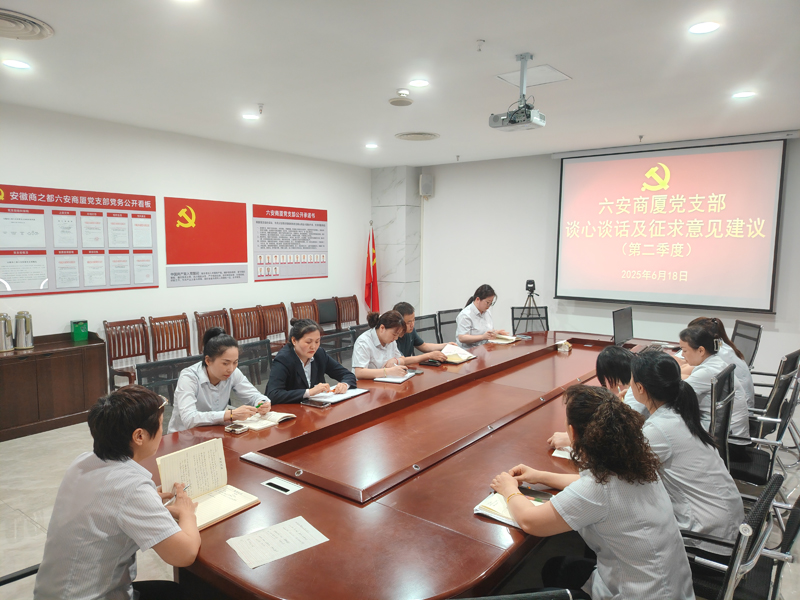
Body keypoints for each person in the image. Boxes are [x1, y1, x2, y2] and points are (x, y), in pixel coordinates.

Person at [490, 385, 694, 600]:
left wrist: (508, 489)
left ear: (572, 432)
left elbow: (531, 521)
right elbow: (595, 485)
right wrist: (541, 476)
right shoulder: (636, 463)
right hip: (670, 587)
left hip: (639, 593)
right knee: (555, 567)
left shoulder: (596, 490)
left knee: (526, 591)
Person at [34, 386, 200, 600]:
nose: (162, 432)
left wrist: (147, 501)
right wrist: (187, 512)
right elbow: (184, 554)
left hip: (54, 593)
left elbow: (105, 504)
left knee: (170, 591)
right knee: (181, 594)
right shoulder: (131, 487)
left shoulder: (82, 462)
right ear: (139, 436)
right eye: (160, 425)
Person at [631, 349, 744, 558]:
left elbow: (619, 474)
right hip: (728, 528)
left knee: (623, 521)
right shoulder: (679, 413)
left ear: (640, 388)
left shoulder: (659, 429)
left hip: (710, 542)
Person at [168, 327, 270, 433]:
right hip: (184, 436)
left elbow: (254, 396)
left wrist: (262, 402)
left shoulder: (233, 373)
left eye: (235, 362)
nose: (231, 369)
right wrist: (230, 414)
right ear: (208, 360)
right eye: (225, 363)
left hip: (215, 431)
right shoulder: (189, 377)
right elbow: (189, 419)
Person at [547, 345, 648, 449]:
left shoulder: (633, 398)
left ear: (610, 379)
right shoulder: (636, 389)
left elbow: (618, 441)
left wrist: (573, 440)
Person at [679, 325, 751, 455]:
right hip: (731, 437)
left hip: (727, 445)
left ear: (701, 350)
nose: (683, 355)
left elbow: (674, 396)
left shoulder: (707, 371)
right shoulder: (716, 361)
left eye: (684, 350)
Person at [267, 318, 357, 404]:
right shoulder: (284, 359)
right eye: (308, 342)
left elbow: (347, 375)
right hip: (291, 409)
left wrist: (345, 384)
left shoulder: (319, 354)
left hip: (316, 408)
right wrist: (309, 392)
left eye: (317, 341)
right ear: (294, 340)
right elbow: (273, 394)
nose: (313, 347)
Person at [686, 317, 755, 408]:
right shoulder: (721, 346)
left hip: (735, 407)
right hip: (734, 405)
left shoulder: (718, 354)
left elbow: (689, 371)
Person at [392, 301, 457, 364]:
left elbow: (423, 346)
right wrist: (429, 355)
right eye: (408, 322)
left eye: (413, 320)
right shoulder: (392, 337)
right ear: (399, 322)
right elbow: (402, 360)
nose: (412, 325)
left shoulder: (411, 331)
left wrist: (445, 345)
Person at [352, 310, 409, 380]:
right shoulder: (363, 342)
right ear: (382, 328)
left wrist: (395, 360)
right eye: (394, 334)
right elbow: (359, 372)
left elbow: (402, 359)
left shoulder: (391, 341)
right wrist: (388, 371)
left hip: (386, 382)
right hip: (367, 384)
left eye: (398, 335)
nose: (396, 338)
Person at [455, 284, 509, 348]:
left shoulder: (487, 312)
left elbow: (486, 331)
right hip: (469, 350)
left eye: (491, 303)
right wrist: (482, 337)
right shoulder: (465, 315)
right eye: (487, 302)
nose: (488, 306)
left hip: (485, 348)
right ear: (478, 299)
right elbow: (462, 338)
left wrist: (496, 333)